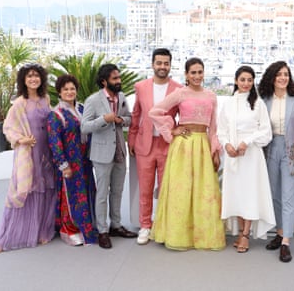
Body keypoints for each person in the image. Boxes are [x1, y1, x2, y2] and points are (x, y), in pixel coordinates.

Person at [148, 57, 226, 250]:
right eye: (193, 73)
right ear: (186, 75)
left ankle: (202, 236)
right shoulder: (180, 93)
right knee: (180, 191)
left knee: (204, 191)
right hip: (183, 145)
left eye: (200, 72)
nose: (197, 76)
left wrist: (214, 150)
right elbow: (155, 112)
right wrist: (172, 130)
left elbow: (214, 127)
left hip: (202, 144)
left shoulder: (211, 96)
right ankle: (178, 236)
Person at [0, 63, 56, 254]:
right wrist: (21, 139)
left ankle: (43, 230)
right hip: (29, 152)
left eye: (37, 76)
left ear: (42, 79)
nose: (34, 79)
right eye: (29, 76)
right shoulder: (19, 103)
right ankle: (7, 238)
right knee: (26, 189)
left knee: (46, 189)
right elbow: (8, 128)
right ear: (24, 80)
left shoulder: (45, 99)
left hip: (47, 151)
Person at [128, 48, 182, 245]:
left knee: (167, 188)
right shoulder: (141, 87)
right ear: (152, 64)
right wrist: (131, 140)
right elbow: (136, 115)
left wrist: (177, 132)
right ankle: (145, 226)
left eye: (166, 63)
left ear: (170, 65)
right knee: (145, 188)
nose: (162, 66)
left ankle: (163, 225)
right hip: (145, 144)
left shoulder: (178, 88)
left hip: (168, 145)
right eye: (159, 63)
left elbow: (182, 116)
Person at [218, 65, 275, 253]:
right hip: (233, 155)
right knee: (237, 193)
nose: (246, 83)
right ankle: (241, 230)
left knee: (249, 193)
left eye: (249, 80)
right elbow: (222, 129)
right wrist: (227, 145)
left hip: (250, 155)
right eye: (242, 80)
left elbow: (266, 132)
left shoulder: (258, 103)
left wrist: (246, 142)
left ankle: (245, 235)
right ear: (236, 81)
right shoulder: (228, 103)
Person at [81, 63, 137, 249]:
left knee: (118, 191)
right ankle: (102, 230)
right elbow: (85, 126)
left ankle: (116, 225)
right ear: (104, 81)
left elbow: (130, 118)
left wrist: (121, 120)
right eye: (115, 79)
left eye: (119, 78)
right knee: (102, 193)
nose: (119, 81)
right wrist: (103, 119)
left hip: (120, 151)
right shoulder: (93, 100)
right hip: (101, 153)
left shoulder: (121, 97)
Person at [258, 60, 294, 262]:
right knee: (274, 196)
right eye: (279, 74)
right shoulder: (264, 99)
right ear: (272, 77)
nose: (283, 77)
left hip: (291, 152)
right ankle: (279, 232)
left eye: (286, 74)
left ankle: (285, 242)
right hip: (270, 150)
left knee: (288, 196)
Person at [47, 74, 97, 246]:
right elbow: (54, 141)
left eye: (72, 89)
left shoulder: (83, 109)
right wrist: (63, 164)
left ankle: (87, 226)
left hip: (85, 161)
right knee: (71, 195)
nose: (69, 92)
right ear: (59, 92)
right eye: (65, 89)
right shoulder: (56, 114)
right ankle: (69, 229)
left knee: (87, 192)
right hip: (69, 162)